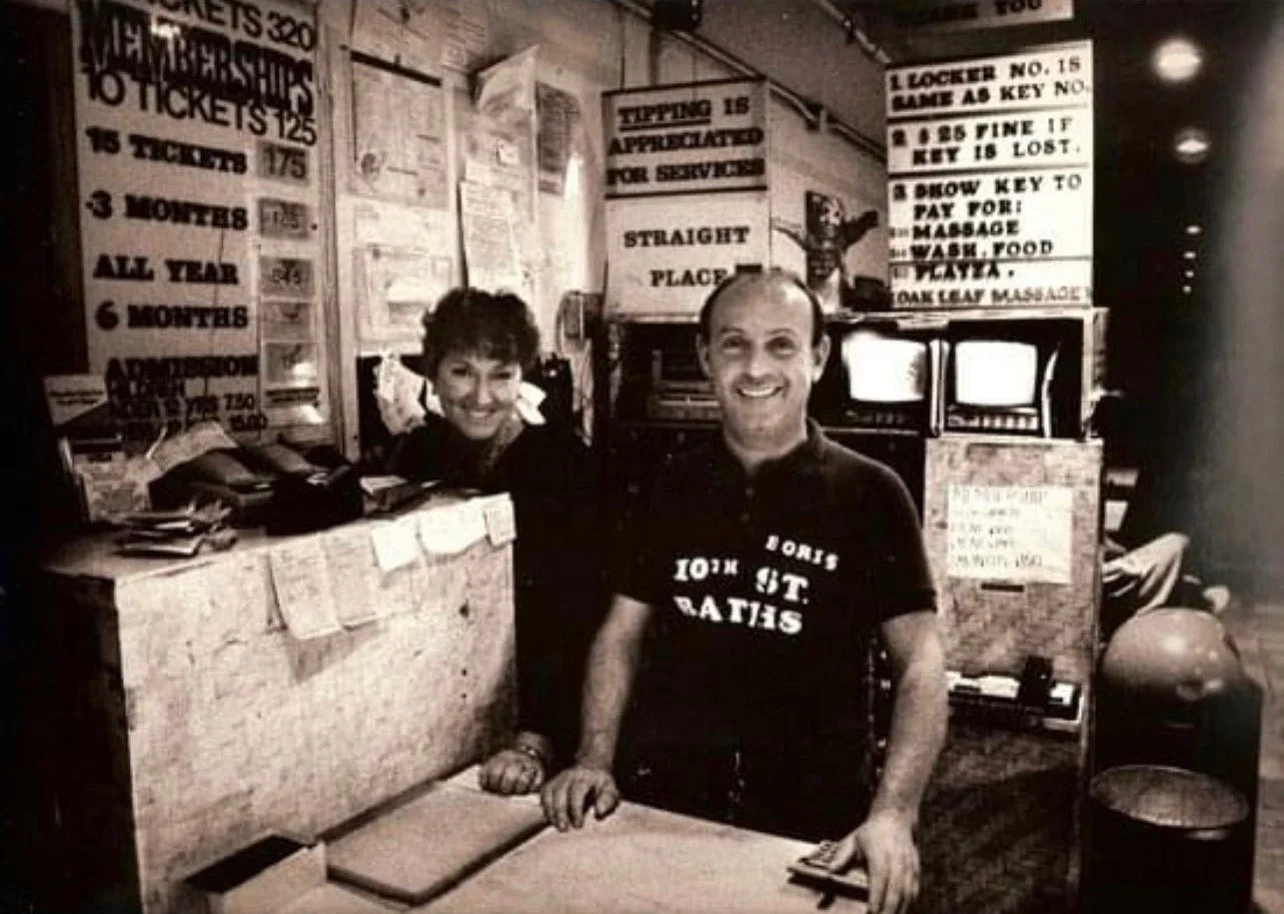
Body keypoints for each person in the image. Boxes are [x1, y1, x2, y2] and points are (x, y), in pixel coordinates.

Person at [540, 269, 948, 914]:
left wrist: (894, 813)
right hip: (669, 807)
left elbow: (922, 667)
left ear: (818, 356)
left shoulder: (871, 494)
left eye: (782, 345)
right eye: (734, 344)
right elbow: (620, 635)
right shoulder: (667, 484)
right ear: (705, 356)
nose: (756, 367)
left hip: (811, 819)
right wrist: (594, 757)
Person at [386, 287, 603, 796]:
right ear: (433, 374)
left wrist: (536, 738)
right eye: (462, 372)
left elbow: (576, 621)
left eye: (501, 375)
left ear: (521, 377)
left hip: (538, 727)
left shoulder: (564, 463)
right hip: (440, 714)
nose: (481, 397)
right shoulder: (415, 455)